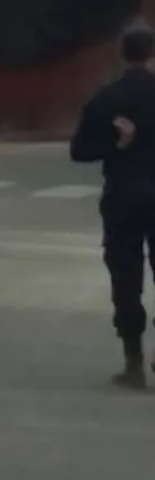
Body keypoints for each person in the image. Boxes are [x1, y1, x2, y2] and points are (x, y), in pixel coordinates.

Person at [70, 22, 155, 389]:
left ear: (123, 55)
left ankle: (133, 361)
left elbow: (79, 151)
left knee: (126, 278)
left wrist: (113, 141)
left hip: (123, 197)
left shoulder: (107, 98)